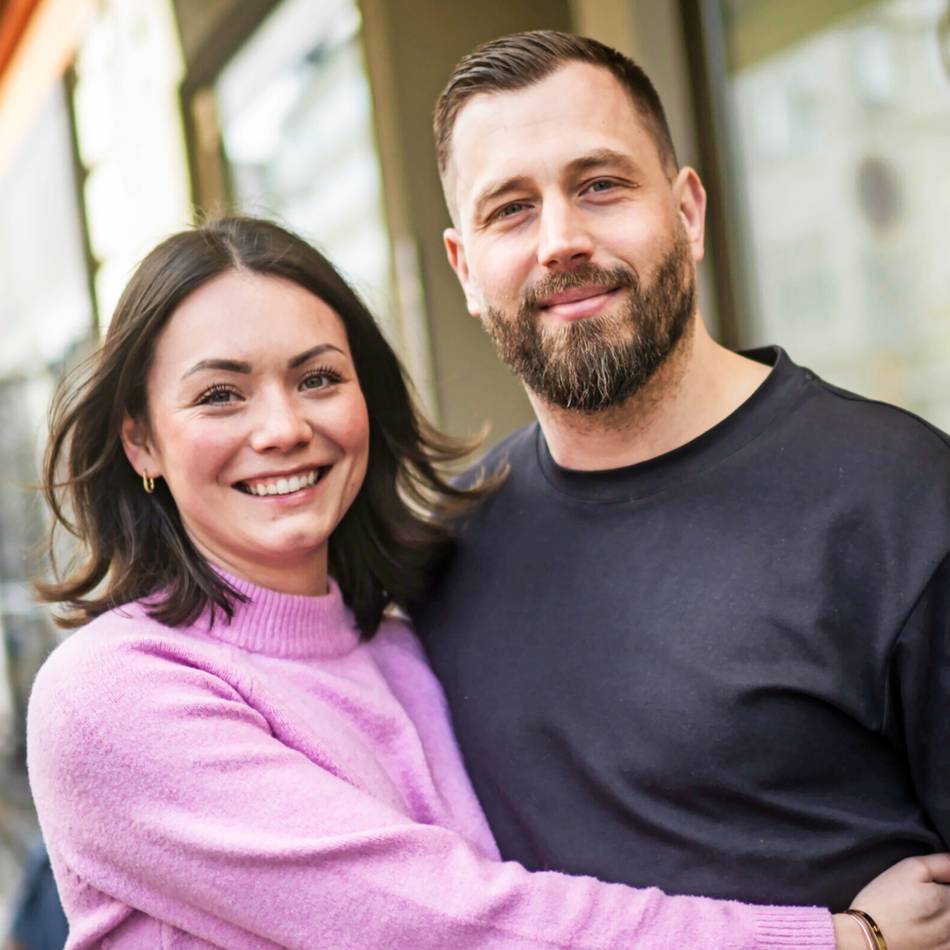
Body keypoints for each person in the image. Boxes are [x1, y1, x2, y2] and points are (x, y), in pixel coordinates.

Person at [23, 216, 948, 949]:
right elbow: (447, 926)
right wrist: (834, 940)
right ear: (140, 439)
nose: (281, 428)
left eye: (317, 378)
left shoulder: (400, 635)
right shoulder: (114, 693)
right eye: (221, 394)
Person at [413, 23, 950, 927]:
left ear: (689, 212)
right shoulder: (443, 542)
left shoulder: (900, 501)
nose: (561, 239)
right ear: (466, 268)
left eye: (600, 185)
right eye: (510, 208)